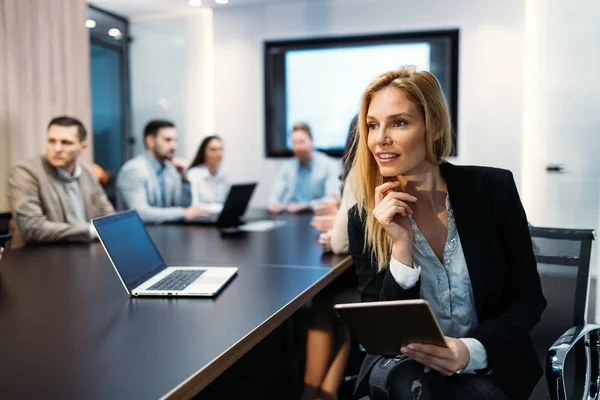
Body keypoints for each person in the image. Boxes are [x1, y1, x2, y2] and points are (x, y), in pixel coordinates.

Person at [347, 67, 546, 400]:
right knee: (410, 381)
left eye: (398, 122)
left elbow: (528, 300)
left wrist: (469, 351)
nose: (380, 139)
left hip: (483, 362)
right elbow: (382, 333)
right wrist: (400, 247)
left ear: (433, 126)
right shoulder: (366, 218)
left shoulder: (493, 190)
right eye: (372, 125)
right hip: (403, 364)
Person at [302, 116, 361, 400]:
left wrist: (338, 225)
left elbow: (339, 243)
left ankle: (313, 392)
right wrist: (340, 211)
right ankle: (327, 391)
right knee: (337, 304)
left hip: (378, 286)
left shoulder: (359, 172)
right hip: (382, 276)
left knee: (325, 305)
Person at [8, 116, 114, 244]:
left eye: (66, 142)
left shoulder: (89, 172)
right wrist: (91, 230)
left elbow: (108, 215)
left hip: (84, 251)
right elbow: (33, 228)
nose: (57, 149)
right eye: (52, 141)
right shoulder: (26, 172)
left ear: (83, 147)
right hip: (38, 255)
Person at [116, 120, 210, 224]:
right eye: (168, 140)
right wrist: (183, 213)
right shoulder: (133, 170)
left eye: (175, 140)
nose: (174, 146)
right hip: (138, 235)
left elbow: (184, 206)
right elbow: (140, 213)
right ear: (150, 141)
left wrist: (184, 179)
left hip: (167, 232)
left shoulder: (171, 169)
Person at [267, 123, 341, 214]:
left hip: (318, 214)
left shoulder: (330, 164)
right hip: (291, 215)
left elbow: (332, 199)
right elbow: (275, 194)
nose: (298, 147)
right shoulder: (287, 166)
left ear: (312, 141)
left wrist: (306, 206)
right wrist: (274, 204)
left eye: (301, 142)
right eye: (294, 143)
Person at [187, 136, 229, 209]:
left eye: (221, 149)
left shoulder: (223, 173)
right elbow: (194, 206)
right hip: (202, 219)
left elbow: (226, 201)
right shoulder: (194, 174)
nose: (219, 154)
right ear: (204, 153)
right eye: (213, 150)